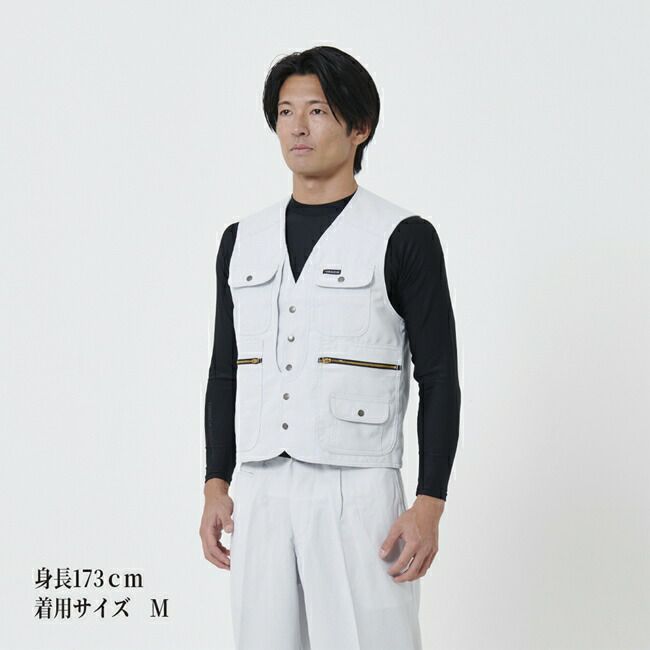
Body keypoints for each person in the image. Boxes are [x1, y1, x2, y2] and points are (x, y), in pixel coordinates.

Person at [199, 45, 461, 650]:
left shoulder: (403, 237)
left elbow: (439, 376)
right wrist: (215, 482)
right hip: (260, 489)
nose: (298, 126)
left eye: (317, 111)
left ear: (359, 126)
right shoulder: (241, 240)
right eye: (286, 112)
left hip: (359, 491)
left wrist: (430, 503)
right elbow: (224, 371)